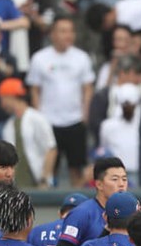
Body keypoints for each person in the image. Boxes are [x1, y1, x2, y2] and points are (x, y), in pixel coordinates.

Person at [26, 17, 96, 188]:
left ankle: (77, 204)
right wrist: (39, 116)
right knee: (50, 168)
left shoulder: (82, 58)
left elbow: (87, 88)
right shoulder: (40, 58)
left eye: (71, 31)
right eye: (63, 31)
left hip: (75, 120)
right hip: (49, 121)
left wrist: (85, 113)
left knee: (77, 168)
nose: (68, 35)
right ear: (52, 34)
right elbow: (35, 89)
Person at [0, 78, 57, 189]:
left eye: (2, 99)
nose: (2, 104)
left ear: (10, 97)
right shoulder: (8, 126)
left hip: (39, 181)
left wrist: (44, 179)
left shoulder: (38, 118)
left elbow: (51, 149)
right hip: (17, 185)